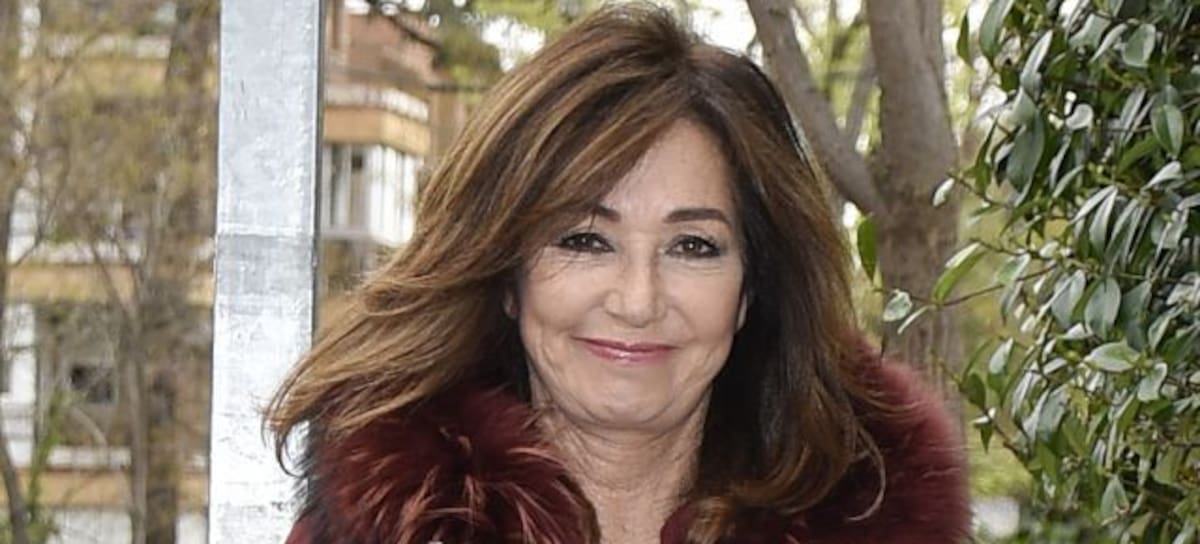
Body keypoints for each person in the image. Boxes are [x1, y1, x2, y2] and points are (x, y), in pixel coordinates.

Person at [268, 4, 969, 543]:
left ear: (752, 289)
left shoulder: (878, 520)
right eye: (585, 240)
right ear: (507, 277)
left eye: (693, 246)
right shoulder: (381, 524)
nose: (637, 300)